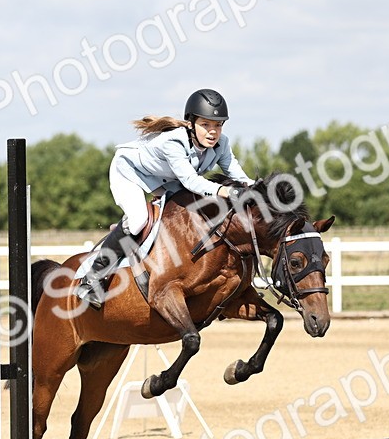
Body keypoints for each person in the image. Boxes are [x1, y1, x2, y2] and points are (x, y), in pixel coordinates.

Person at [76, 88, 256, 309]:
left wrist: (260, 191)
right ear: (191, 123)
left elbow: (239, 176)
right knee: (138, 219)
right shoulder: (174, 142)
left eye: (218, 125)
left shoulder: (222, 144)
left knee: (189, 212)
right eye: (205, 124)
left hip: (165, 179)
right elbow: (191, 181)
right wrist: (226, 191)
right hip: (129, 172)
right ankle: (92, 278)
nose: (213, 132)